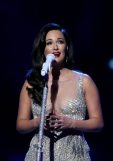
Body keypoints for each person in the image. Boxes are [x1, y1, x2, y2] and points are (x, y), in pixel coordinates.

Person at [16, 22, 104, 161]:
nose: (55, 47)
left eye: (60, 42)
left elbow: (98, 123)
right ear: (43, 49)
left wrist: (71, 123)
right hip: (39, 155)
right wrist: (38, 122)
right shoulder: (32, 82)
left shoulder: (84, 81)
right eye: (49, 43)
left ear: (67, 47)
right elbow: (21, 125)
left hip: (74, 155)